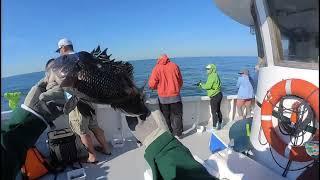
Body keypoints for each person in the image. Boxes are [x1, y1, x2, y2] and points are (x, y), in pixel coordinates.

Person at [1, 80, 216, 180]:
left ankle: (94, 155)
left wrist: (28, 120)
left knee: (86, 130)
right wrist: (162, 145)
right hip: (166, 106)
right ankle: (101, 149)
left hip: (80, 108)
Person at [55, 38, 111, 163]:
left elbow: (63, 83)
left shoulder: (65, 61)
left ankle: (92, 157)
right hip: (90, 100)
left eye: (59, 50)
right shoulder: (83, 58)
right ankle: (106, 149)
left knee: (82, 131)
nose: (59, 53)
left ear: (63, 47)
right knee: (94, 126)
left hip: (77, 103)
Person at [148, 54, 184, 138]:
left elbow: (152, 84)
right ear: (167, 58)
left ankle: (169, 133)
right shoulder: (174, 66)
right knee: (177, 115)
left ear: (159, 59)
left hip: (163, 98)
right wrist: (176, 88)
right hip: (175, 96)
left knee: (165, 116)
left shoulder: (156, 68)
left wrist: (154, 87)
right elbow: (180, 81)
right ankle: (178, 134)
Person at [198, 64, 223, 130]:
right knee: (218, 110)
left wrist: (201, 85)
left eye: (208, 69)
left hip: (215, 96)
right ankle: (220, 124)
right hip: (219, 94)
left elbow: (207, 86)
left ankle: (214, 127)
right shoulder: (216, 75)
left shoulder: (211, 76)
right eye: (206, 69)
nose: (207, 70)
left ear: (212, 69)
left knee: (214, 112)